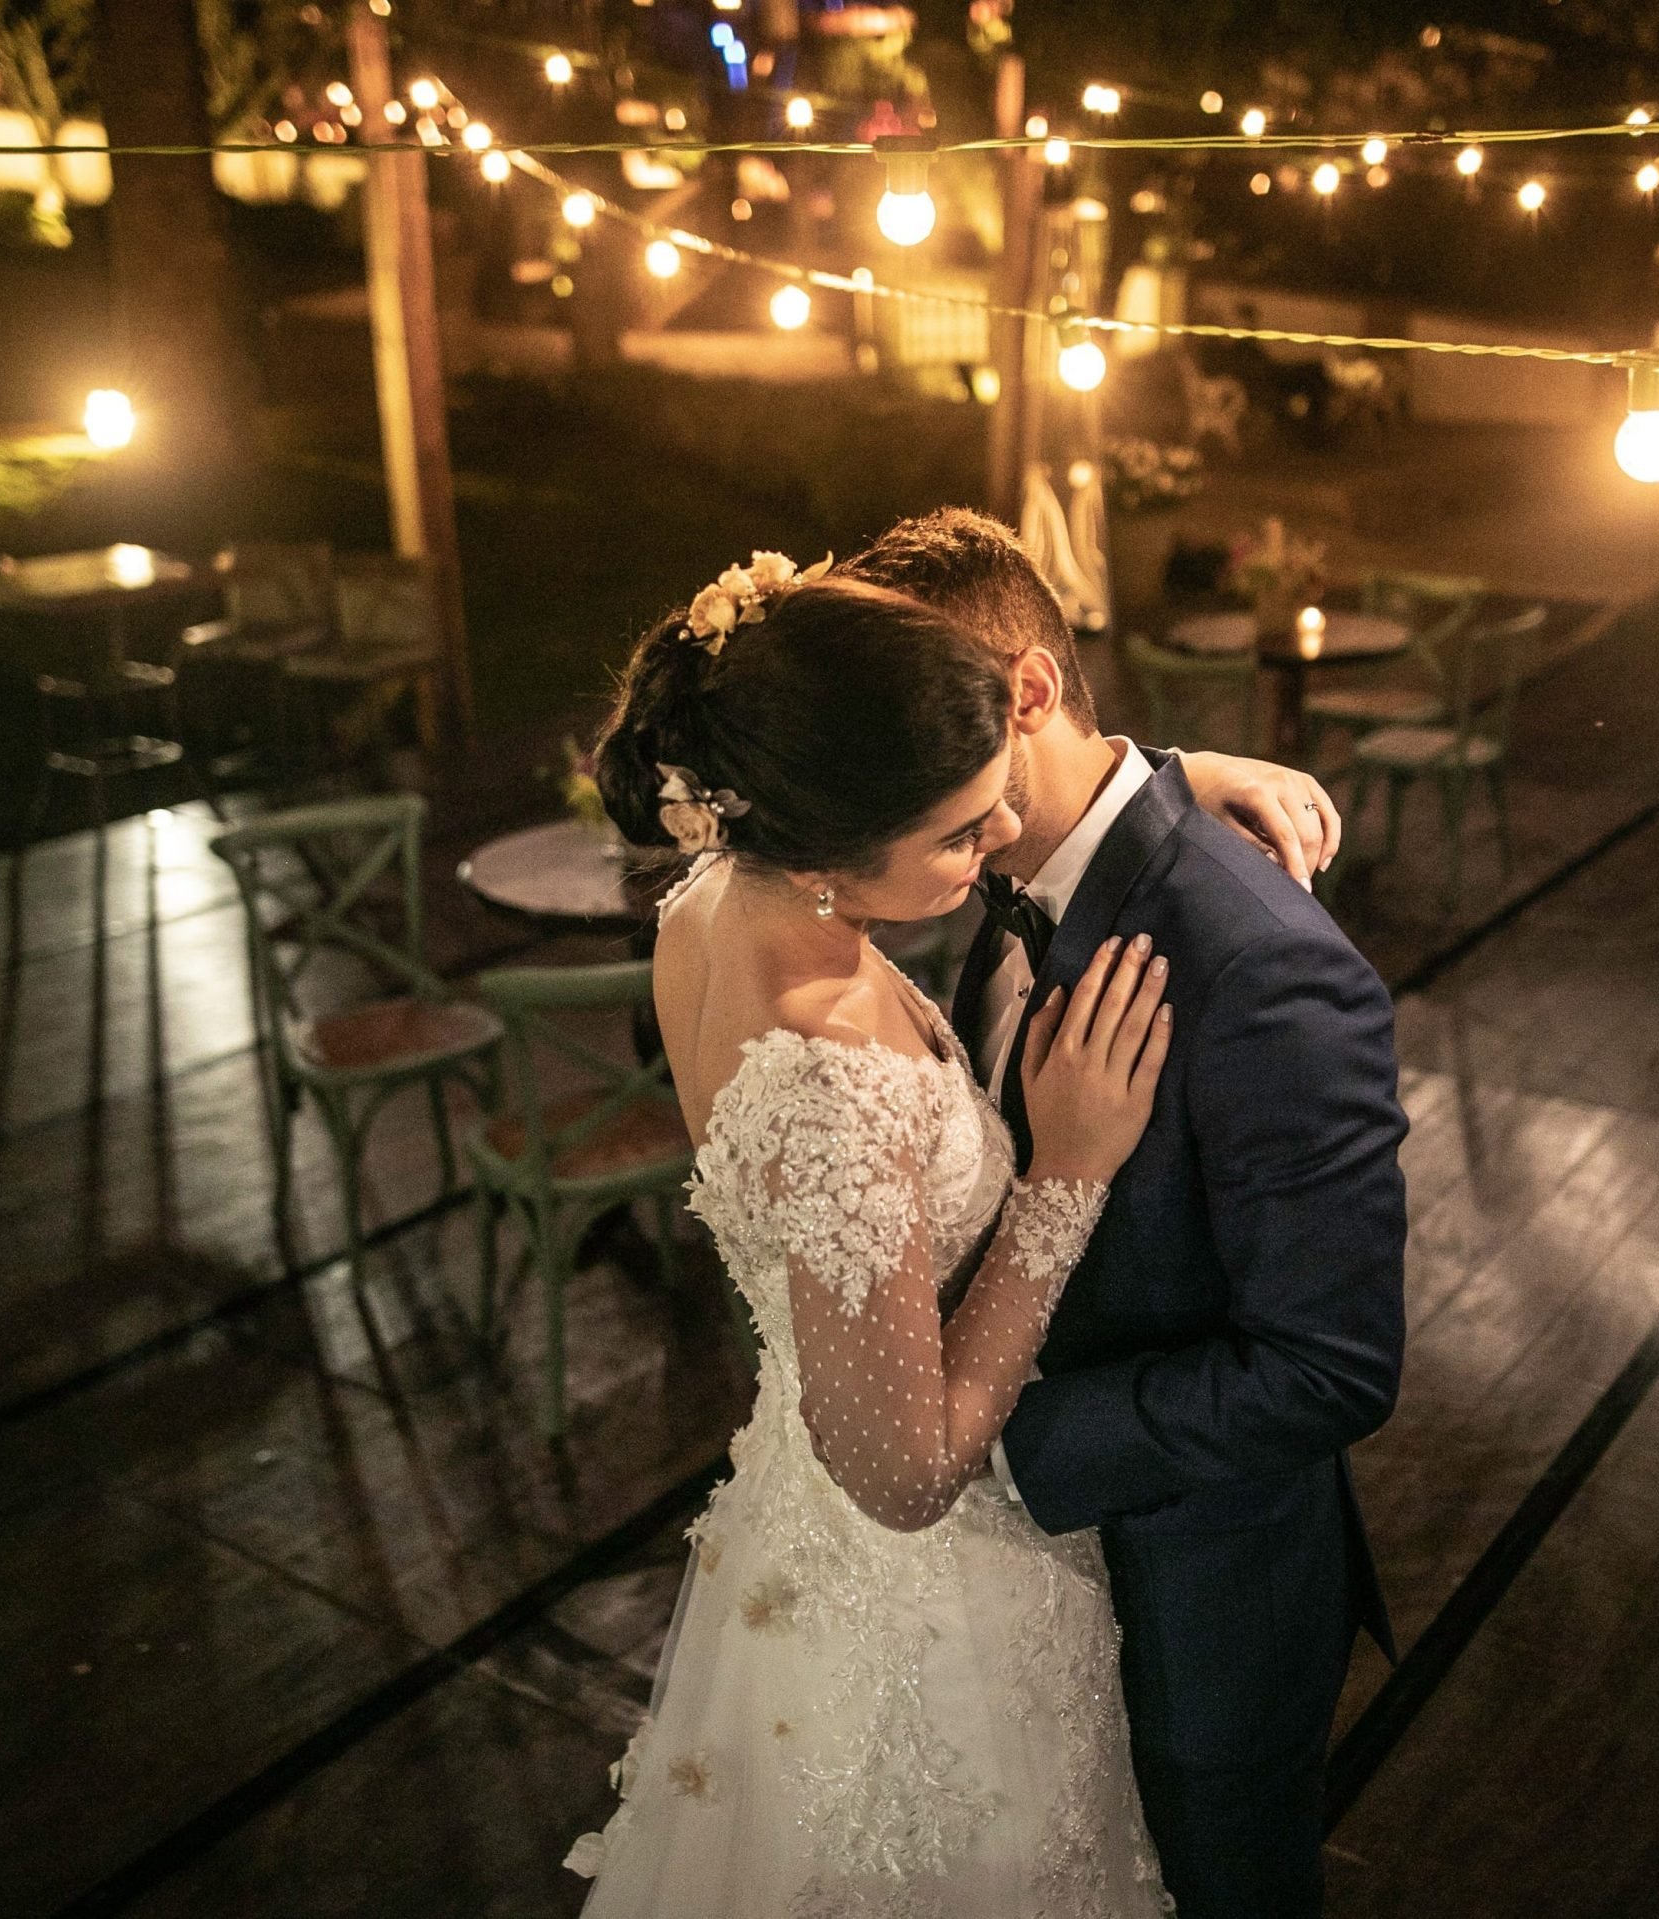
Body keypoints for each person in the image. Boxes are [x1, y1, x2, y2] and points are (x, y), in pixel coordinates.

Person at [565, 548, 1374, 1917]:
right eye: (956, 835)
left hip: (794, 1546)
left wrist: (1154, 782)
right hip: (928, 1603)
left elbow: (853, 691)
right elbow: (907, 1472)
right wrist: (1068, 1174)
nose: (994, 846)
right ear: (833, 844)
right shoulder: (825, 1065)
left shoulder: (722, 886)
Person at [844, 511, 1409, 1919]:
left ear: (1025, 694)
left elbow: (1332, 1366)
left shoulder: (1269, 967)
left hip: (1194, 1598)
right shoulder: (998, 858)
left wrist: (1004, 1449)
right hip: (1016, 1598)